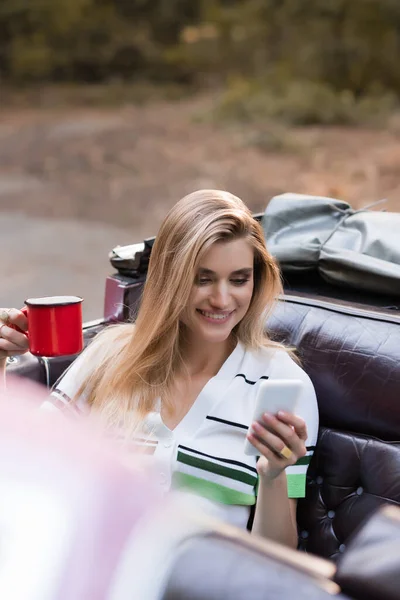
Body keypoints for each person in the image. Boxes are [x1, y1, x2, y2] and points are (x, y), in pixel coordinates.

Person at [0, 189, 318, 548]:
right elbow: (17, 464)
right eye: (203, 278)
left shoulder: (283, 383)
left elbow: (274, 560)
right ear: (171, 277)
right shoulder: (111, 355)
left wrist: (273, 476)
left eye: (239, 279)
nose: (222, 299)